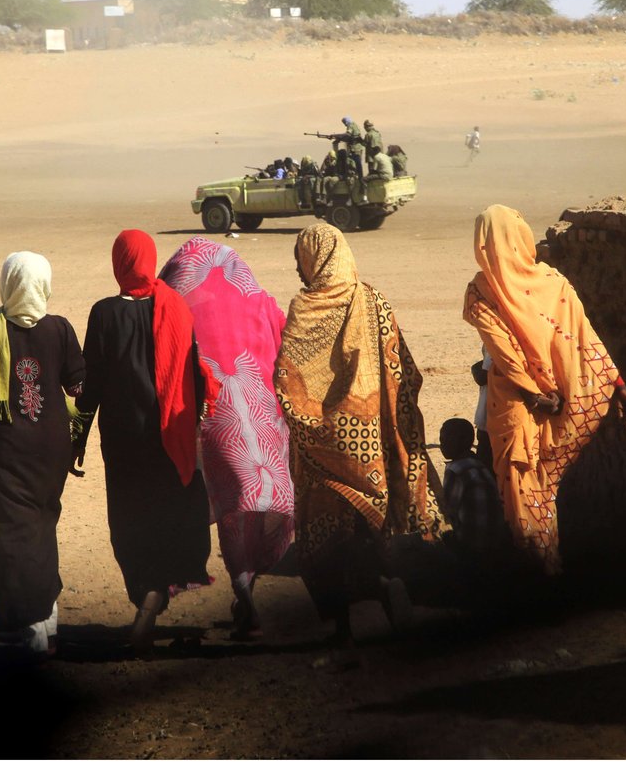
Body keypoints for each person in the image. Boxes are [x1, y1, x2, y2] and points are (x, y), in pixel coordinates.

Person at [275, 223, 445, 651]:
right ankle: (388, 593)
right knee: (366, 531)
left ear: (318, 257)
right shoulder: (374, 300)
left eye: (301, 256)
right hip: (369, 448)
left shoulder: (305, 309)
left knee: (324, 537)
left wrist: (316, 426)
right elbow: (403, 372)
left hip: (321, 455)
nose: (298, 267)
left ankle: (343, 628)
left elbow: (287, 381)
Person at [463, 205, 626, 576]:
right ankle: (546, 568)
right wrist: (616, 385)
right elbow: (584, 339)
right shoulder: (553, 283)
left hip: (517, 406)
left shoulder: (481, 291)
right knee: (540, 488)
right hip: (550, 402)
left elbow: (505, 353)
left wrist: (532, 395)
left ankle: (539, 573)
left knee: (523, 490)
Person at [73, 229, 218, 656]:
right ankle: (155, 593)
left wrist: (76, 437)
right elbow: (193, 370)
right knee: (166, 511)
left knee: (130, 518)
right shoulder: (175, 306)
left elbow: (91, 385)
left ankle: (145, 595)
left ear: (119, 262)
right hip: (167, 438)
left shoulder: (103, 314)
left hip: (122, 443)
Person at [159, 236, 294, 640]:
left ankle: (242, 590)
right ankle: (247, 587)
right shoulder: (256, 298)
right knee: (254, 501)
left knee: (231, 507)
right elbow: (286, 343)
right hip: (262, 415)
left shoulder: (176, 304)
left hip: (215, 420)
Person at [0, 252, 85, 657]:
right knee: (44, 523)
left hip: (9, 450)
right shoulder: (60, 329)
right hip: (52, 449)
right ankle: (49, 618)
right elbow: (78, 384)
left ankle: (34, 628)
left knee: (15, 535)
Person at [438, 418, 502, 566]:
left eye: (447, 439)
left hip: (472, 546)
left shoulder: (457, 471)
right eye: (441, 439)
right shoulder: (479, 464)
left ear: (464, 440)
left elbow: (448, 512)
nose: (442, 444)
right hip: (494, 542)